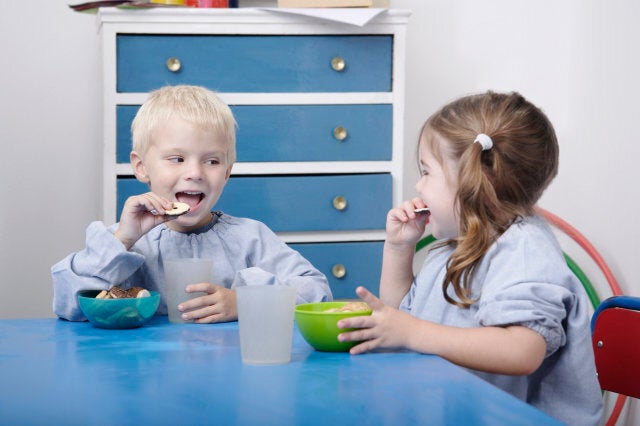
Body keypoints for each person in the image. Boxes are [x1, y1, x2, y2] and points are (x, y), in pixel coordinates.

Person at [336, 91, 603, 425]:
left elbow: (522, 351)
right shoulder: (456, 244)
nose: (418, 186)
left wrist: (412, 332)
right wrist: (398, 249)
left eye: (426, 172)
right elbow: (400, 317)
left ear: (475, 179)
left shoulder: (523, 250)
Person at [52, 85, 331, 323]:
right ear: (141, 168)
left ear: (226, 173)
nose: (195, 173)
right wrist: (122, 240)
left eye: (211, 161)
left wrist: (244, 303)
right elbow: (69, 304)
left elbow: (316, 293)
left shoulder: (250, 239)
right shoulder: (127, 243)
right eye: (177, 159)